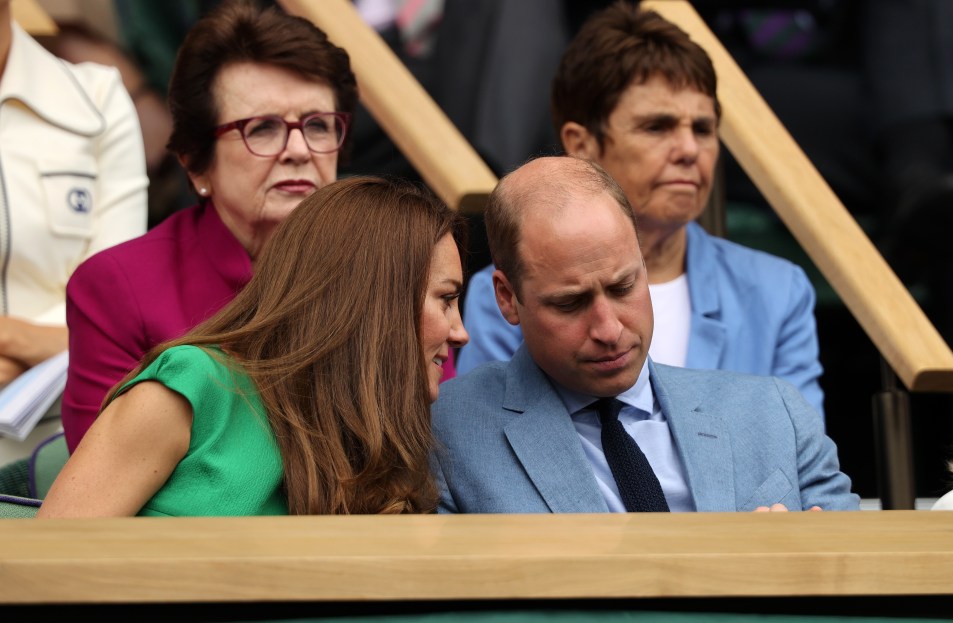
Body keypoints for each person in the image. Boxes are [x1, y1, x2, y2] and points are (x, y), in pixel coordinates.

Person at [456, 3, 825, 417]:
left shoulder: (777, 292)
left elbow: (802, 462)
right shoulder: (513, 294)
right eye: (657, 127)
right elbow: (494, 454)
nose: (690, 150)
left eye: (703, 129)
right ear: (581, 144)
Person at [432, 156, 859, 514]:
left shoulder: (774, 413)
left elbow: (859, 578)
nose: (609, 328)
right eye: (570, 303)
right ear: (507, 298)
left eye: (623, 288)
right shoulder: (441, 433)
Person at [38, 176, 469, 517]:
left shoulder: (385, 423)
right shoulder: (192, 388)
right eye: (446, 300)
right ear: (377, 302)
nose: (460, 332)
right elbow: (45, 572)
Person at [59, 0, 361, 453]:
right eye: (262, 128)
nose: (299, 149)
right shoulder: (118, 288)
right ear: (197, 164)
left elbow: (433, 446)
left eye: (318, 125)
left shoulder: (385, 265)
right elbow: (101, 488)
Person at [0, 0, 147, 460]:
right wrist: (48, 342)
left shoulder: (97, 99)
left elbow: (117, 323)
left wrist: (10, 339)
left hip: (61, 441)